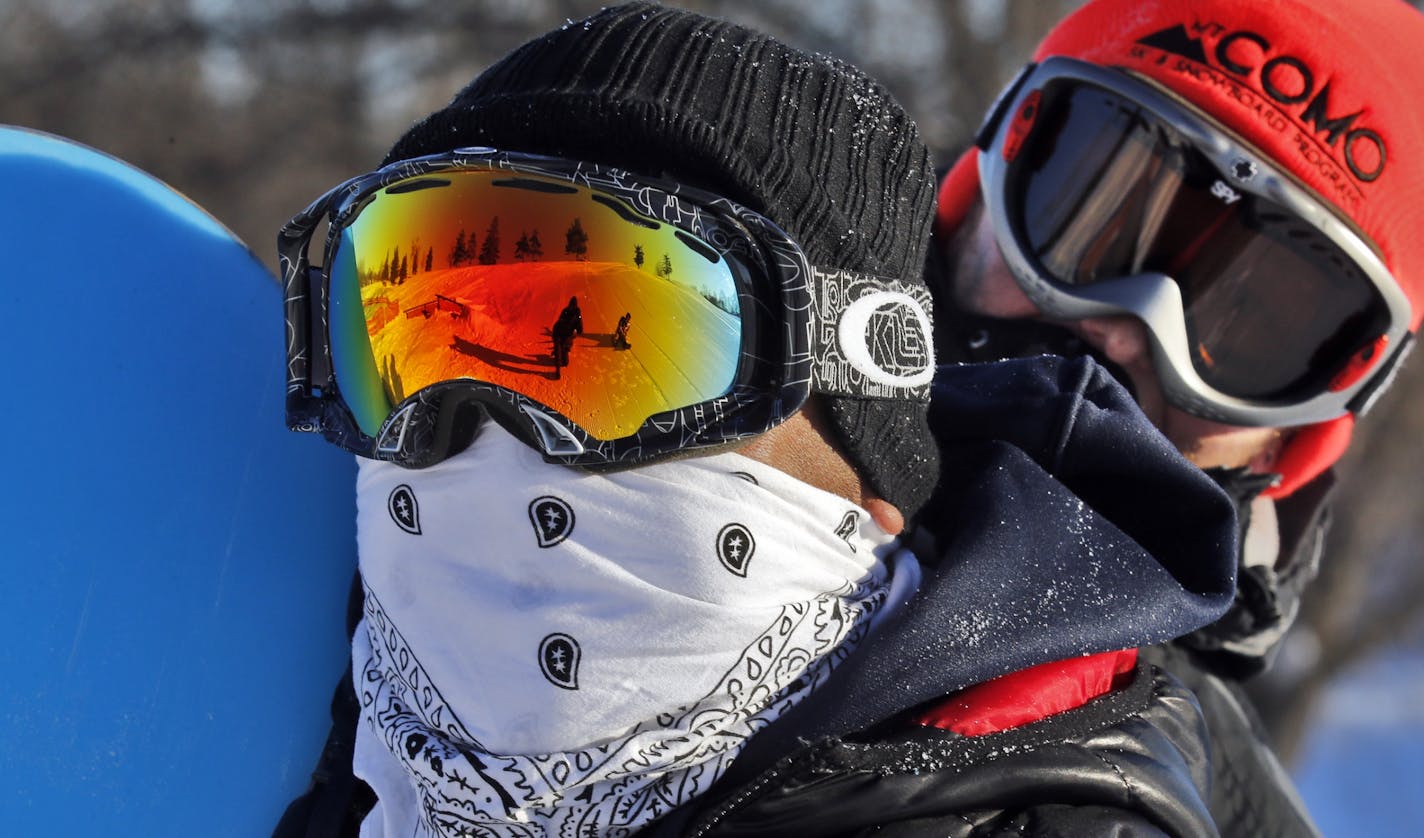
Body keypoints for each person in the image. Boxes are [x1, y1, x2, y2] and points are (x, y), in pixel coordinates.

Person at [273, 4, 1242, 836]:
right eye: (409, 336)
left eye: (617, 344)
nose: (489, 430)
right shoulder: (278, 709)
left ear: (866, 454)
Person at [926, 0, 1424, 833]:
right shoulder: (688, 388)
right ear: (989, 176)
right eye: (1095, 217)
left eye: (1253, 323)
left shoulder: (1213, 810)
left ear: (1294, 433)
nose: (1123, 333)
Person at [551, 295, 583, 372]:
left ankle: (558, 352)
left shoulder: (574, 313)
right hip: (560, 332)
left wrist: (577, 331)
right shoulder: (568, 311)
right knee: (561, 347)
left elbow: (579, 326)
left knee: (565, 361)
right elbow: (560, 320)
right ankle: (557, 357)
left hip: (564, 333)